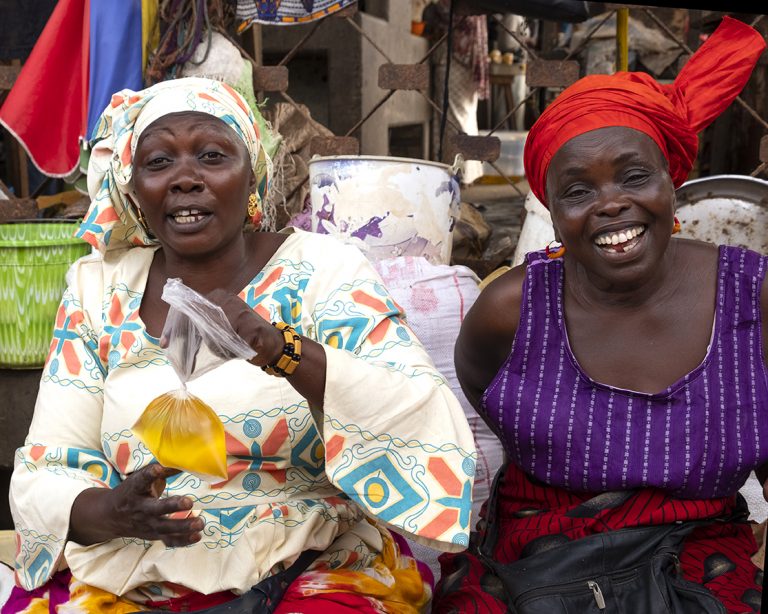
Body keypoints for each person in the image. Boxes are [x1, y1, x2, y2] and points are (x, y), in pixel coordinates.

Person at [3, 77, 477, 613]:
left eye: (211, 155)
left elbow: (416, 406)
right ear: (133, 188)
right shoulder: (97, 288)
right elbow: (48, 461)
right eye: (158, 163)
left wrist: (284, 351)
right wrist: (110, 511)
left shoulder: (321, 269)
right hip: (136, 562)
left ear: (251, 172)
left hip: (307, 556)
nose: (185, 179)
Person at [433, 16, 768, 614]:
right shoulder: (510, 313)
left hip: (701, 553)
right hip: (537, 559)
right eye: (578, 191)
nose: (611, 203)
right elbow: (489, 398)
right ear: (553, 211)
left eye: (635, 176)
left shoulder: (751, 297)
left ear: (672, 181)